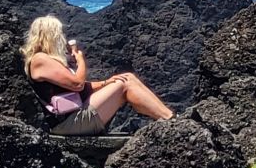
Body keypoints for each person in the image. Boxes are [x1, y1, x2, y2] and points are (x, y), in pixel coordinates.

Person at [20, 15, 173, 135]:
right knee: (125, 83)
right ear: (50, 36)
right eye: (59, 34)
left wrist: (107, 82)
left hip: (74, 116)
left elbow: (81, 87)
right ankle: (170, 120)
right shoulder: (40, 59)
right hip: (67, 124)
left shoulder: (47, 60)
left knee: (127, 77)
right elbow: (77, 84)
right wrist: (80, 60)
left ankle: (170, 118)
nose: (62, 38)